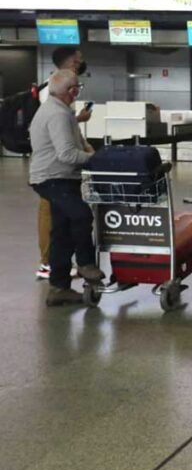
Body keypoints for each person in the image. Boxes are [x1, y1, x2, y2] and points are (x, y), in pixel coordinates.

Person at [28, 69, 104, 306]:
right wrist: (96, 159)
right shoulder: (58, 114)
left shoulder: (58, 110)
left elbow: (74, 143)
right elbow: (67, 154)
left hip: (59, 178)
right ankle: (85, 263)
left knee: (61, 233)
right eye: (77, 88)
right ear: (72, 91)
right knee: (81, 215)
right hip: (53, 178)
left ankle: (59, 288)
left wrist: (88, 150)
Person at [35, 46, 91, 280]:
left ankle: (59, 270)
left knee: (61, 220)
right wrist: (91, 158)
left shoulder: (63, 88)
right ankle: (48, 263)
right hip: (52, 170)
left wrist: (84, 145)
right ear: (69, 63)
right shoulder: (52, 90)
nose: (81, 64)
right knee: (58, 214)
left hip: (62, 169)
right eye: (78, 61)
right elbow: (55, 127)